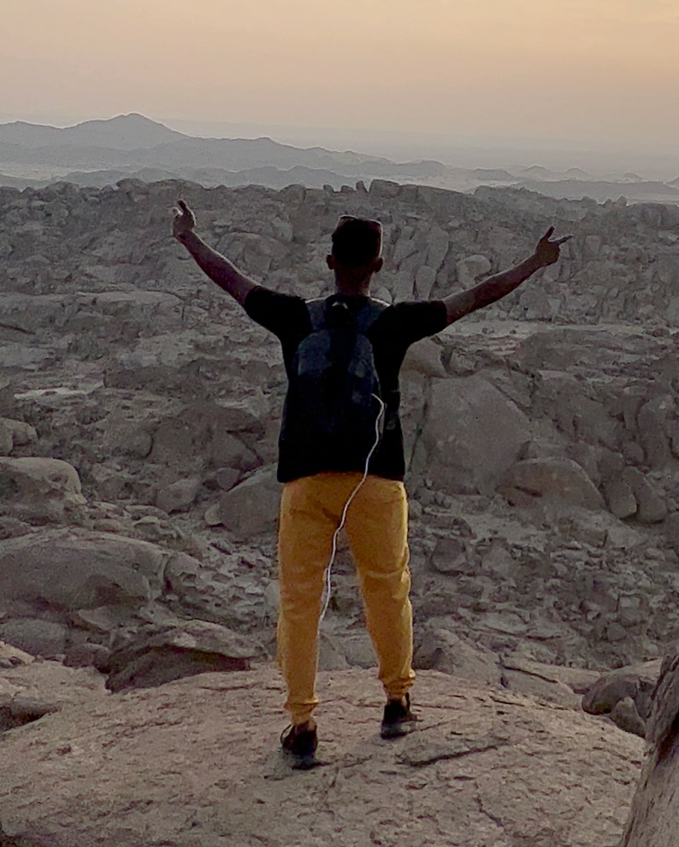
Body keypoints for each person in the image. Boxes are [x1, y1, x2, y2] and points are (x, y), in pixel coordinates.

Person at [171, 200, 568, 767]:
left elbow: (232, 280)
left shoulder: (294, 317)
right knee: (387, 589)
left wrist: (190, 238)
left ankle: (302, 725)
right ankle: (397, 702)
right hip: (376, 479)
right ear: (377, 265)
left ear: (330, 261)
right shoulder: (393, 323)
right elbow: (477, 296)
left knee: (300, 601)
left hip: (306, 481)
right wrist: (534, 262)